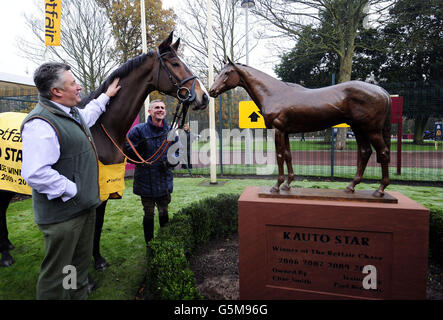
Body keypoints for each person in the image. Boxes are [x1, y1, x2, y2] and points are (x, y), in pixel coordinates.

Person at [20, 62, 121, 300]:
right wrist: (73, 188)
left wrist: (106, 96)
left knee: (76, 269)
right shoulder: (40, 123)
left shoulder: (72, 113)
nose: (79, 86)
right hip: (63, 218)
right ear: (56, 92)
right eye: (73, 83)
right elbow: (35, 173)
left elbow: (89, 115)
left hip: (83, 210)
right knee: (57, 277)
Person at [125, 99, 181, 249]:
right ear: (149, 111)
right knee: (148, 213)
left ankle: (164, 241)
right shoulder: (138, 131)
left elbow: (177, 152)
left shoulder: (170, 133)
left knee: (164, 211)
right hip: (145, 180)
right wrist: (139, 155)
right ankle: (149, 244)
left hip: (163, 180)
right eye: (156, 107)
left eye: (162, 107)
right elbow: (127, 148)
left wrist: (170, 162)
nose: (160, 110)